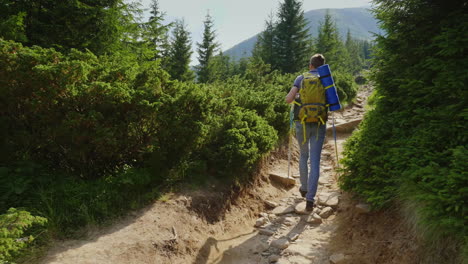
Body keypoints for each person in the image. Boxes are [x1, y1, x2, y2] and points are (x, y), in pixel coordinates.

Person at [285, 54, 329, 211]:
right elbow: (333, 102)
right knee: (315, 160)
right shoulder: (326, 79)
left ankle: (304, 188)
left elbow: (288, 99)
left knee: (304, 155)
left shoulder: (300, 78)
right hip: (319, 124)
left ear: (310, 65)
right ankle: (310, 199)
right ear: (322, 65)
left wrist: (298, 96)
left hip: (301, 123)